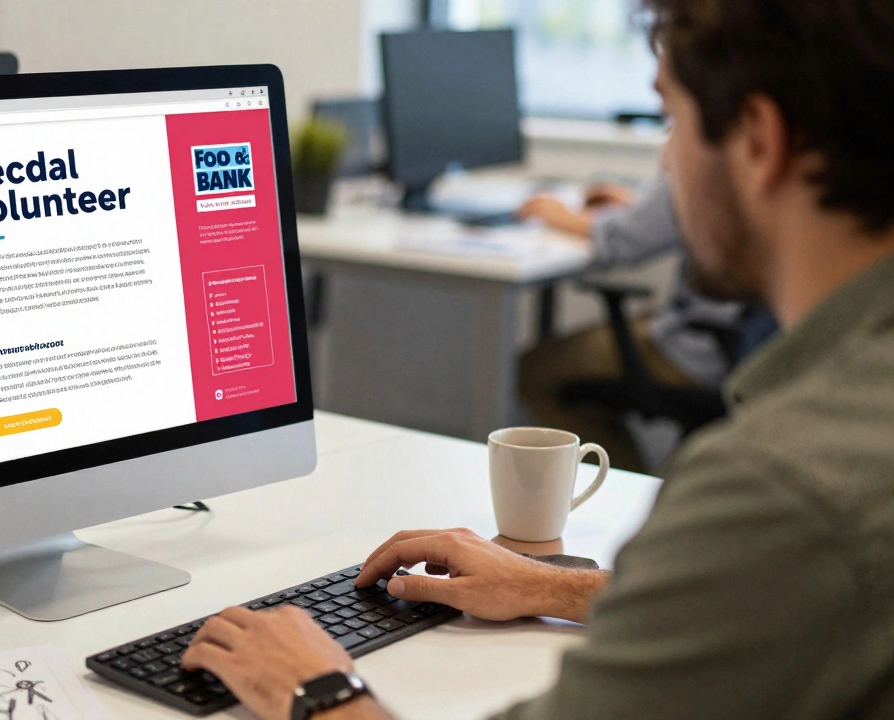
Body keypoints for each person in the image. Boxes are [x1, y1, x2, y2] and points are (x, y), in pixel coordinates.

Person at [179, 0, 894, 718]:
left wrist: (316, 689)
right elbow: (765, 607)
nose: (666, 161)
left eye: (672, 121)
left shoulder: (780, 486)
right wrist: (549, 584)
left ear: (760, 141)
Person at [515, 177, 769, 472]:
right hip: (739, 340)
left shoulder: (708, 162)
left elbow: (619, 240)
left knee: (533, 370)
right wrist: (638, 207)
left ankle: (614, 483)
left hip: (699, 346)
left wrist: (554, 212)